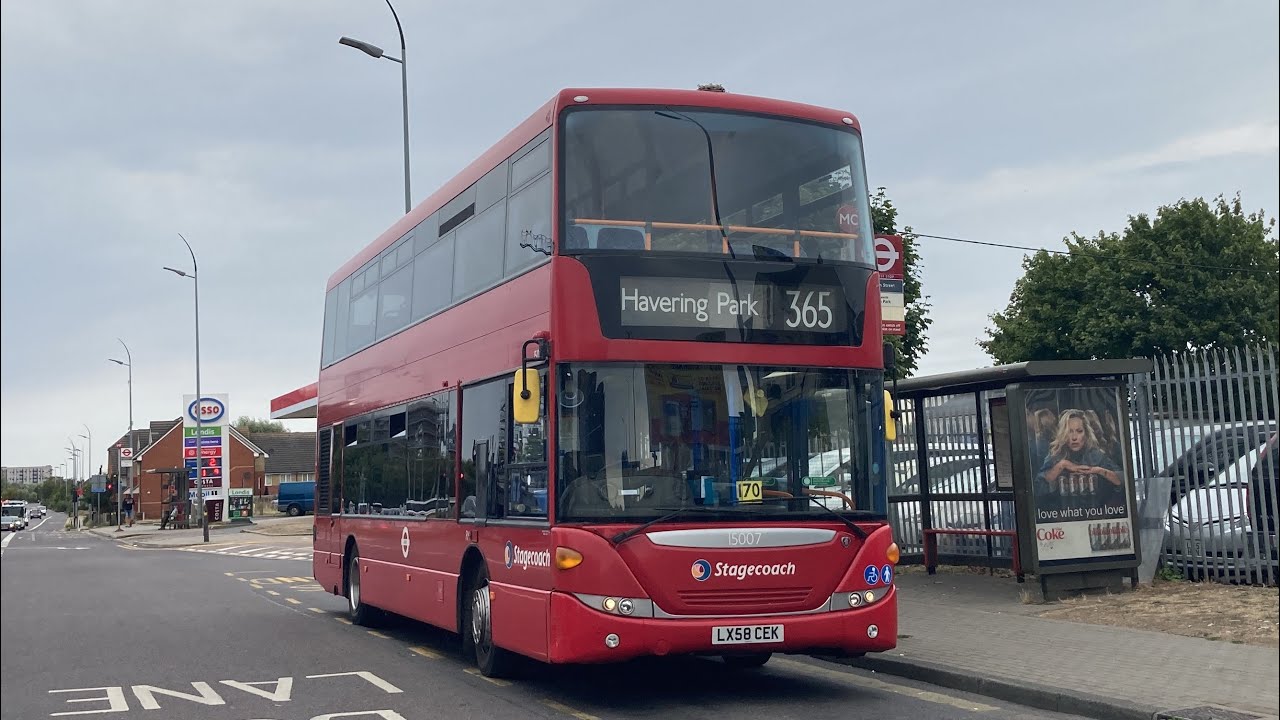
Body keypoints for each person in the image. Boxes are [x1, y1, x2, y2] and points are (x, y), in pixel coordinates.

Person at [1035, 409, 1124, 509]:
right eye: (1069, 432)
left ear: (1086, 434)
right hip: (1063, 517)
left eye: (1079, 431)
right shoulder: (1055, 456)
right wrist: (1062, 465)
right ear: (1063, 434)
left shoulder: (1096, 455)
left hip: (1094, 514)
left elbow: (1123, 482)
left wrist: (1099, 470)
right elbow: (1038, 489)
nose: (1074, 437)